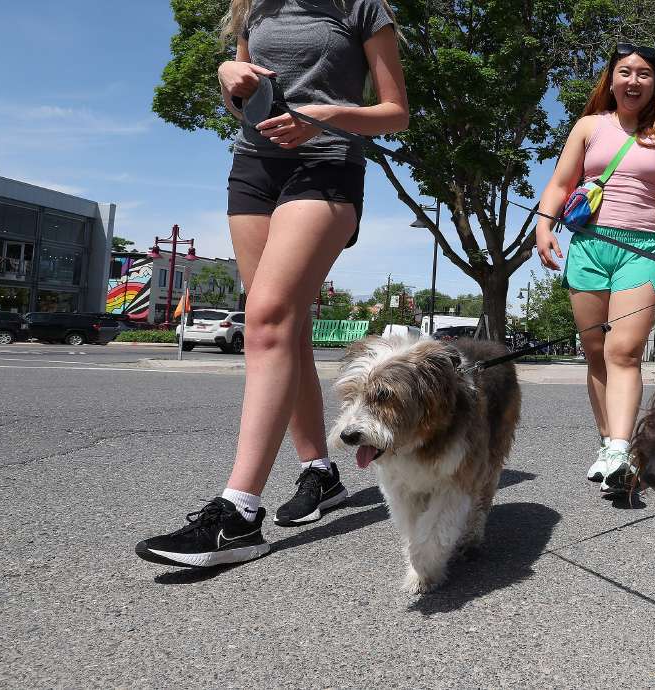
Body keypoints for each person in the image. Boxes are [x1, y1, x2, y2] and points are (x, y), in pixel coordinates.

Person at [135, 0, 409, 567]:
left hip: (327, 164)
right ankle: (320, 472)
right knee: (285, 333)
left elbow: (395, 112)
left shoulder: (361, 8)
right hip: (253, 169)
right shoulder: (253, 9)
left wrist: (328, 115)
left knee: (265, 320)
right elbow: (242, 102)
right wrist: (226, 79)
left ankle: (238, 514)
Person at [534, 42, 655, 496]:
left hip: (641, 251)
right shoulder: (588, 127)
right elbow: (560, 184)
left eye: (644, 74)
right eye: (625, 72)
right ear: (612, 79)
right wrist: (544, 227)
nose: (634, 80)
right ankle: (608, 445)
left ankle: (622, 450)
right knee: (596, 353)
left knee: (625, 351)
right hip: (589, 246)